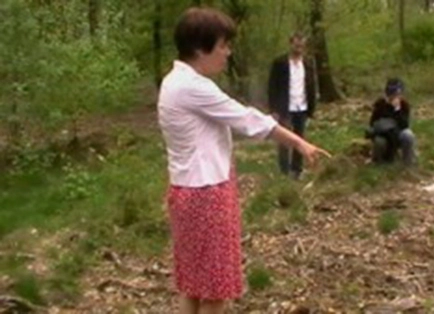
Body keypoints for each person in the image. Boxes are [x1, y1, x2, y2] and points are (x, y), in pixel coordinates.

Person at [157, 7, 330, 314]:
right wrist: (300, 143)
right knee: (213, 291)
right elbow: (249, 120)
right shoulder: (194, 87)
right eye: (223, 45)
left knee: (193, 285)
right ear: (200, 48)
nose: (227, 52)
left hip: (185, 191)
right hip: (206, 194)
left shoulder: (173, 81)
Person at [267, 32, 317, 180]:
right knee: (284, 139)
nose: (299, 48)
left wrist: (312, 107)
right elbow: (272, 86)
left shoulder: (308, 63)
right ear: (291, 44)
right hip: (284, 106)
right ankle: (284, 171)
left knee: (299, 138)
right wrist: (274, 109)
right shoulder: (280, 62)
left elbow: (311, 86)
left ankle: (297, 170)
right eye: (296, 44)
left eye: (302, 45)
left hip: (302, 106)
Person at [366, 78, 417, 165]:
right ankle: (379, 162)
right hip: (384, 135)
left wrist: (397, 110)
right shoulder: (380, 104)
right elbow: (372, 123)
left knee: (408, 136)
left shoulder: (404, 105)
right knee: (379, 142)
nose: (395, 97)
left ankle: (408, 162)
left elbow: (405, 124)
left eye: (398, 95)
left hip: (398, 133)